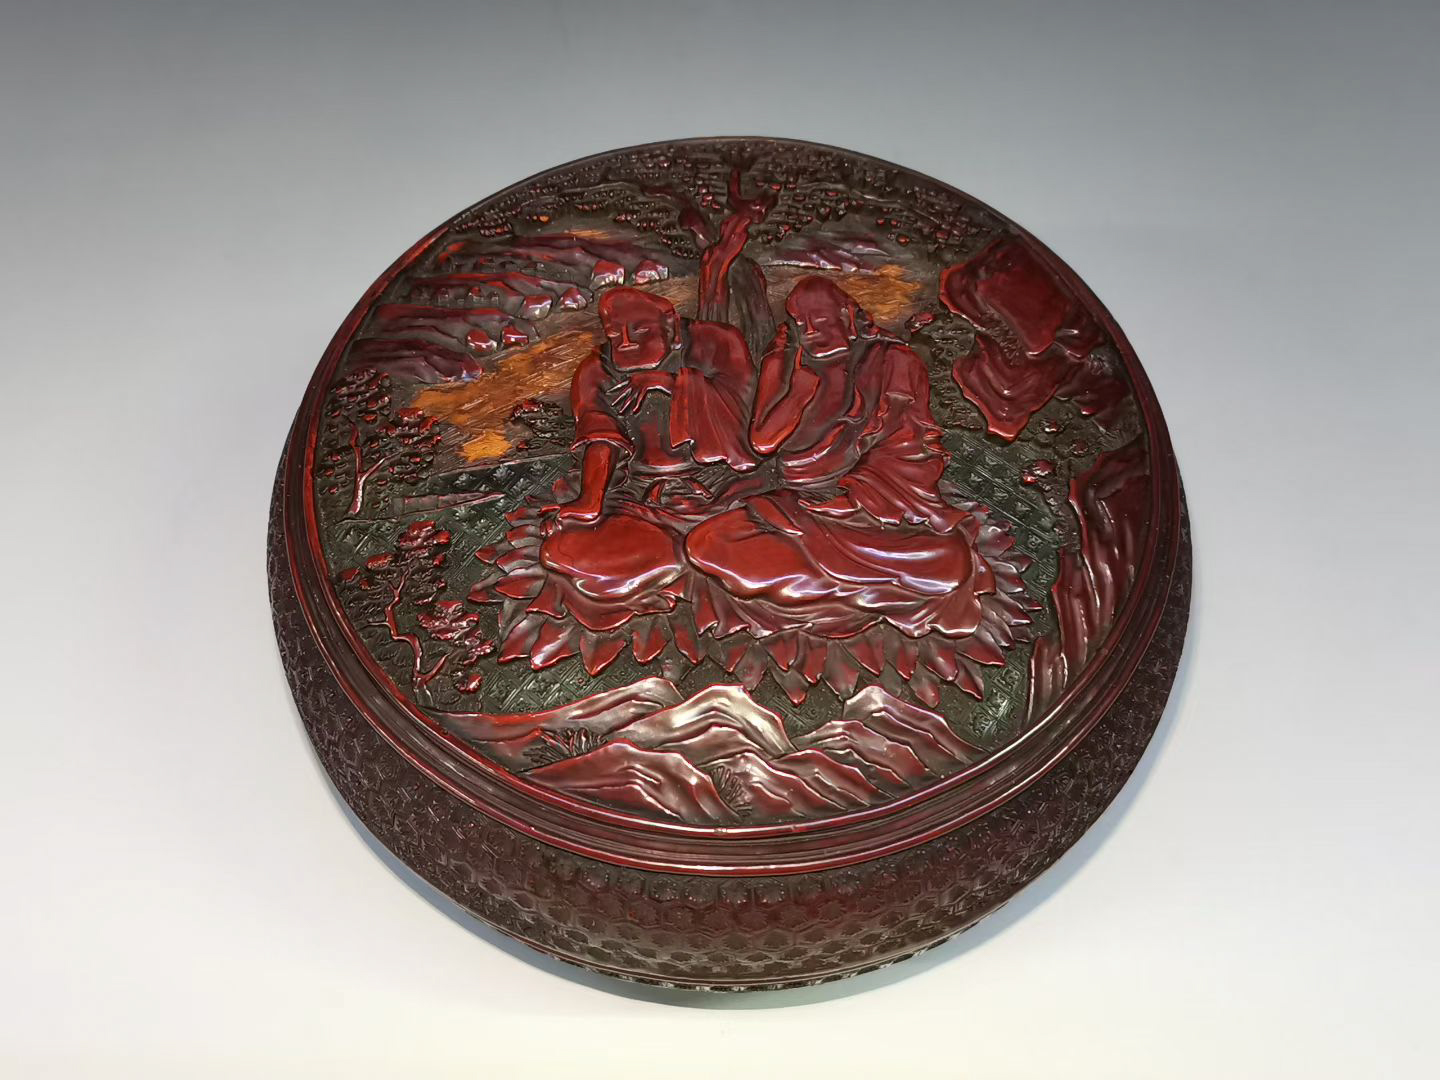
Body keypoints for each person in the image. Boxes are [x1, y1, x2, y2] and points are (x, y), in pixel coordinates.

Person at [684, 276, 993, 642]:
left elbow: (903, 446)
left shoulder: (893, 361)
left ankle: (821, 592)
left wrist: (852, 495)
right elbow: (763, 442)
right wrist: (798, 392)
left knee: (949, 560)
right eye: (801, 324)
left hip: (868, 509)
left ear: (848, 316)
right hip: (793, 507)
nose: (811, 331)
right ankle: (855, 592)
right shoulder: (789, 364)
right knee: (705, 542)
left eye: (821, 319)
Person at [534, 287, 758, 632]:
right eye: (614, 334)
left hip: (724, 489)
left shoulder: (716, 343)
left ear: (671, 325)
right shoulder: (597, 369)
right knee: (557, 551)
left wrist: (672, 384)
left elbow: (742, 410)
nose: (624, 342)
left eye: (640, 331)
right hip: (641, 500)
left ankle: (689, 559)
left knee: (777, 534)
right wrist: (590, 501)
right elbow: (601, 435)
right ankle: (691, 559)